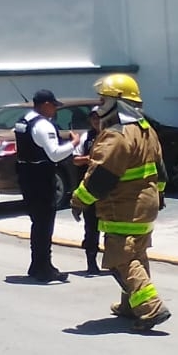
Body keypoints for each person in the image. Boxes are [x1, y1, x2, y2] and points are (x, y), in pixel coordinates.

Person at [70, 74, 171, 329]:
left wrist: (78, 200)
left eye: (103, 101)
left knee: (120, 259)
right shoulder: (146, 130)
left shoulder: (116, 135)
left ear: (119, 103)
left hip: (124, 208)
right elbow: (160, 170)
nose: (99, 107)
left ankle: (151, 307)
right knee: (135, 253)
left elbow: (101, 177)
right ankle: (130, 305)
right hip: (146, 206)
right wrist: (159, 195)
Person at [14, 88, 79, 283]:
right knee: (44, 224)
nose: (55, 111)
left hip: (26, 176)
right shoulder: (43, 125)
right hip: (41, 178)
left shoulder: (23, 120)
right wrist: (74, 143)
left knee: (37, 223)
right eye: (53, 106)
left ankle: (36, 265)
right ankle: (45, 268)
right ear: (46, 105)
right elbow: (55, 154)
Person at [74, 110, 102, 275]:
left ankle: (114, 262)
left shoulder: (113, 136)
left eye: (99, 117)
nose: (96, 121)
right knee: (91, 227)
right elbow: (75, 160)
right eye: (93, 118)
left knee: (112, 228)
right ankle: (91, 261)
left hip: (110, 190)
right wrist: (87, 160)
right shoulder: (86, 137)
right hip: (90, 189)